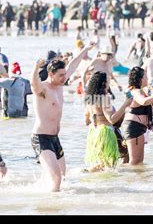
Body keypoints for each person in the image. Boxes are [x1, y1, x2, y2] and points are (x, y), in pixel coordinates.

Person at [30, 43, 94, 192]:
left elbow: (73, 65)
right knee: (57, 178)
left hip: (54, 138)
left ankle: (50, 197)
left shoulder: (60, 85)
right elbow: (33, 83)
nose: (64, 78)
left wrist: (85, 49)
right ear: (51, 74)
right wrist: (35, 68)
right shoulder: (43, 89)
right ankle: (53, 208)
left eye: (65, 74)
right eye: (60, 75)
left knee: (62, 177)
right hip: (41, 138)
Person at [83, 71, 132, 172]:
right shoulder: (104, 98)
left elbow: (86, 120)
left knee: (102, 163)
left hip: (94, 132)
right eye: (108, 81)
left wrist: (97, 117)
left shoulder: (89, 98)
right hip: (105, 132)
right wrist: (126, 104)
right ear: (104, 83)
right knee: (109, 165)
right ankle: (88, 172)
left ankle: (88, 173)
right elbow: (112, 119)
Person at [123, 67, 153, 165]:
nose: (147, 79)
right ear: (140, 79)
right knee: (134, 162)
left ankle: (137, 180)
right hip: (133, 128)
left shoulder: (141, 91)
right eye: (145, 76)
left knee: (139, 161)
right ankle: (126, 179)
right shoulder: (135, 91)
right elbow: (143, 101)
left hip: (138, 128)